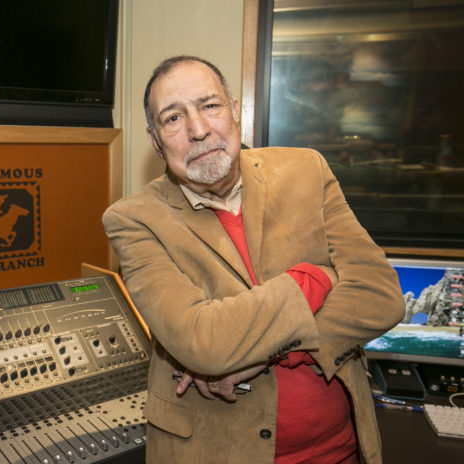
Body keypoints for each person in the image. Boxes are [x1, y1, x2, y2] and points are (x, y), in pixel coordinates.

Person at [102, 56, 405, 464]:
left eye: (210, 106)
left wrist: (267, 352)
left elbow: (381, 297)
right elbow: (203, 342)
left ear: (235, 110)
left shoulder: (307, 170)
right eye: (173, 118)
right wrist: (314, 278)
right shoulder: (133, 219)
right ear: (156, 140)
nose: (198, 130)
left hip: (340, 450)